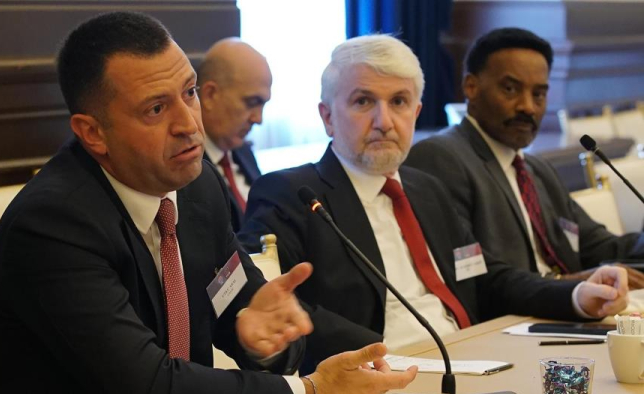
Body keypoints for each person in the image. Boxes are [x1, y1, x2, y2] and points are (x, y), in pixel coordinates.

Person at [0, 13, 417, 394]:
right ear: (93, 132)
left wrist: (263, 343)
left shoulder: (196, 187)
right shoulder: (53, 225)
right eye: (156, 108)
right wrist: (311, 393)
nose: (189, 124)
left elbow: (242, 308)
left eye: (189, 92)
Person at [239, 34, 629, 373]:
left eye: (399, 102)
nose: (384, 121)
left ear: (416, 113)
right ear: (327, 117)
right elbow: (277, 306)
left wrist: (576, 296)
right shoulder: (291, 194)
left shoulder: (427, 189)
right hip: (381, 372)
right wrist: (380, 354)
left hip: (473, 358)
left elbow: (485, 278)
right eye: (363, 102)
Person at [405, 27, 644, 287]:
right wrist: (569, 288)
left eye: (538, 94)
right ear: (471, 87)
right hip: (516, 311)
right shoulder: (441, 157)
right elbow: (470, 275)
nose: (528, 107)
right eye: (510, 89)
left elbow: (601, 247)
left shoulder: (537, 170)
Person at [197, 38, 269, 231]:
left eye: (263, 104)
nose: (258, 119)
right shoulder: (186, 168)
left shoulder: (243, 151)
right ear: (210, 95)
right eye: (251, 102)